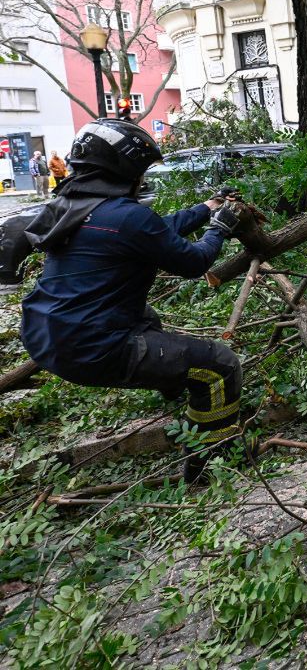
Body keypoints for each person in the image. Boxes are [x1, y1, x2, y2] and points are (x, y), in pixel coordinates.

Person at [20, 118, 245, 481]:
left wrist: (207, 207)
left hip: (45, 336)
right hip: (93, 348)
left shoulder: (73, 206)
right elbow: (193, 262)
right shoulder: (125, 217)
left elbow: (152, 233)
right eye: (141, 170)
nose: (142, 178)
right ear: (126, 169)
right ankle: (211, 464)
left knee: (148, 318)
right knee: (221, 366)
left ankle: (180, 391)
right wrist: (219, 229)